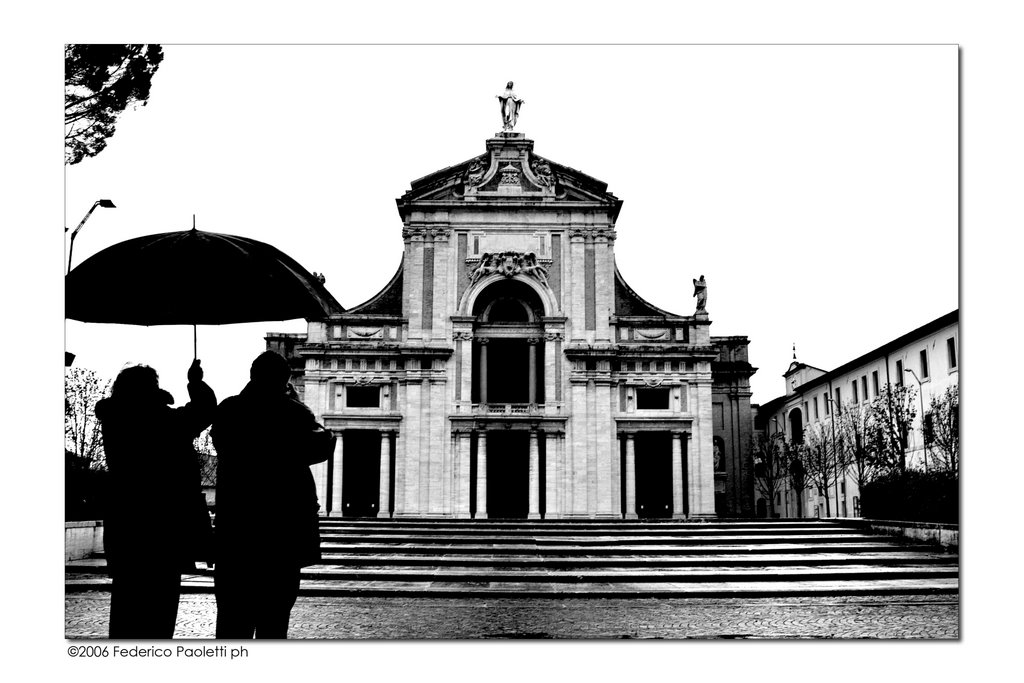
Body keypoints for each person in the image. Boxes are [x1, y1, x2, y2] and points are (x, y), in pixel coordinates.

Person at [211, 351, 334, 639]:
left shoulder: (230, 409)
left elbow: (219, 440)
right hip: (282, 532)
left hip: (237, 529)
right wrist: (294, 403)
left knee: (231, 620)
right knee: (274, 620)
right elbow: (321, 445)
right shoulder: (293, 412)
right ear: (285, 380)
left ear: (252, 375)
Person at [95, 359, 215, 639]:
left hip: (126, 526)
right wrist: (195, 383)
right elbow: (204, 410)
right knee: (160, 612)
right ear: (152, 390)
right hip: (165, 528)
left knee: (125, 607)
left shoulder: (114, 420)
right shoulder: (165, 422)